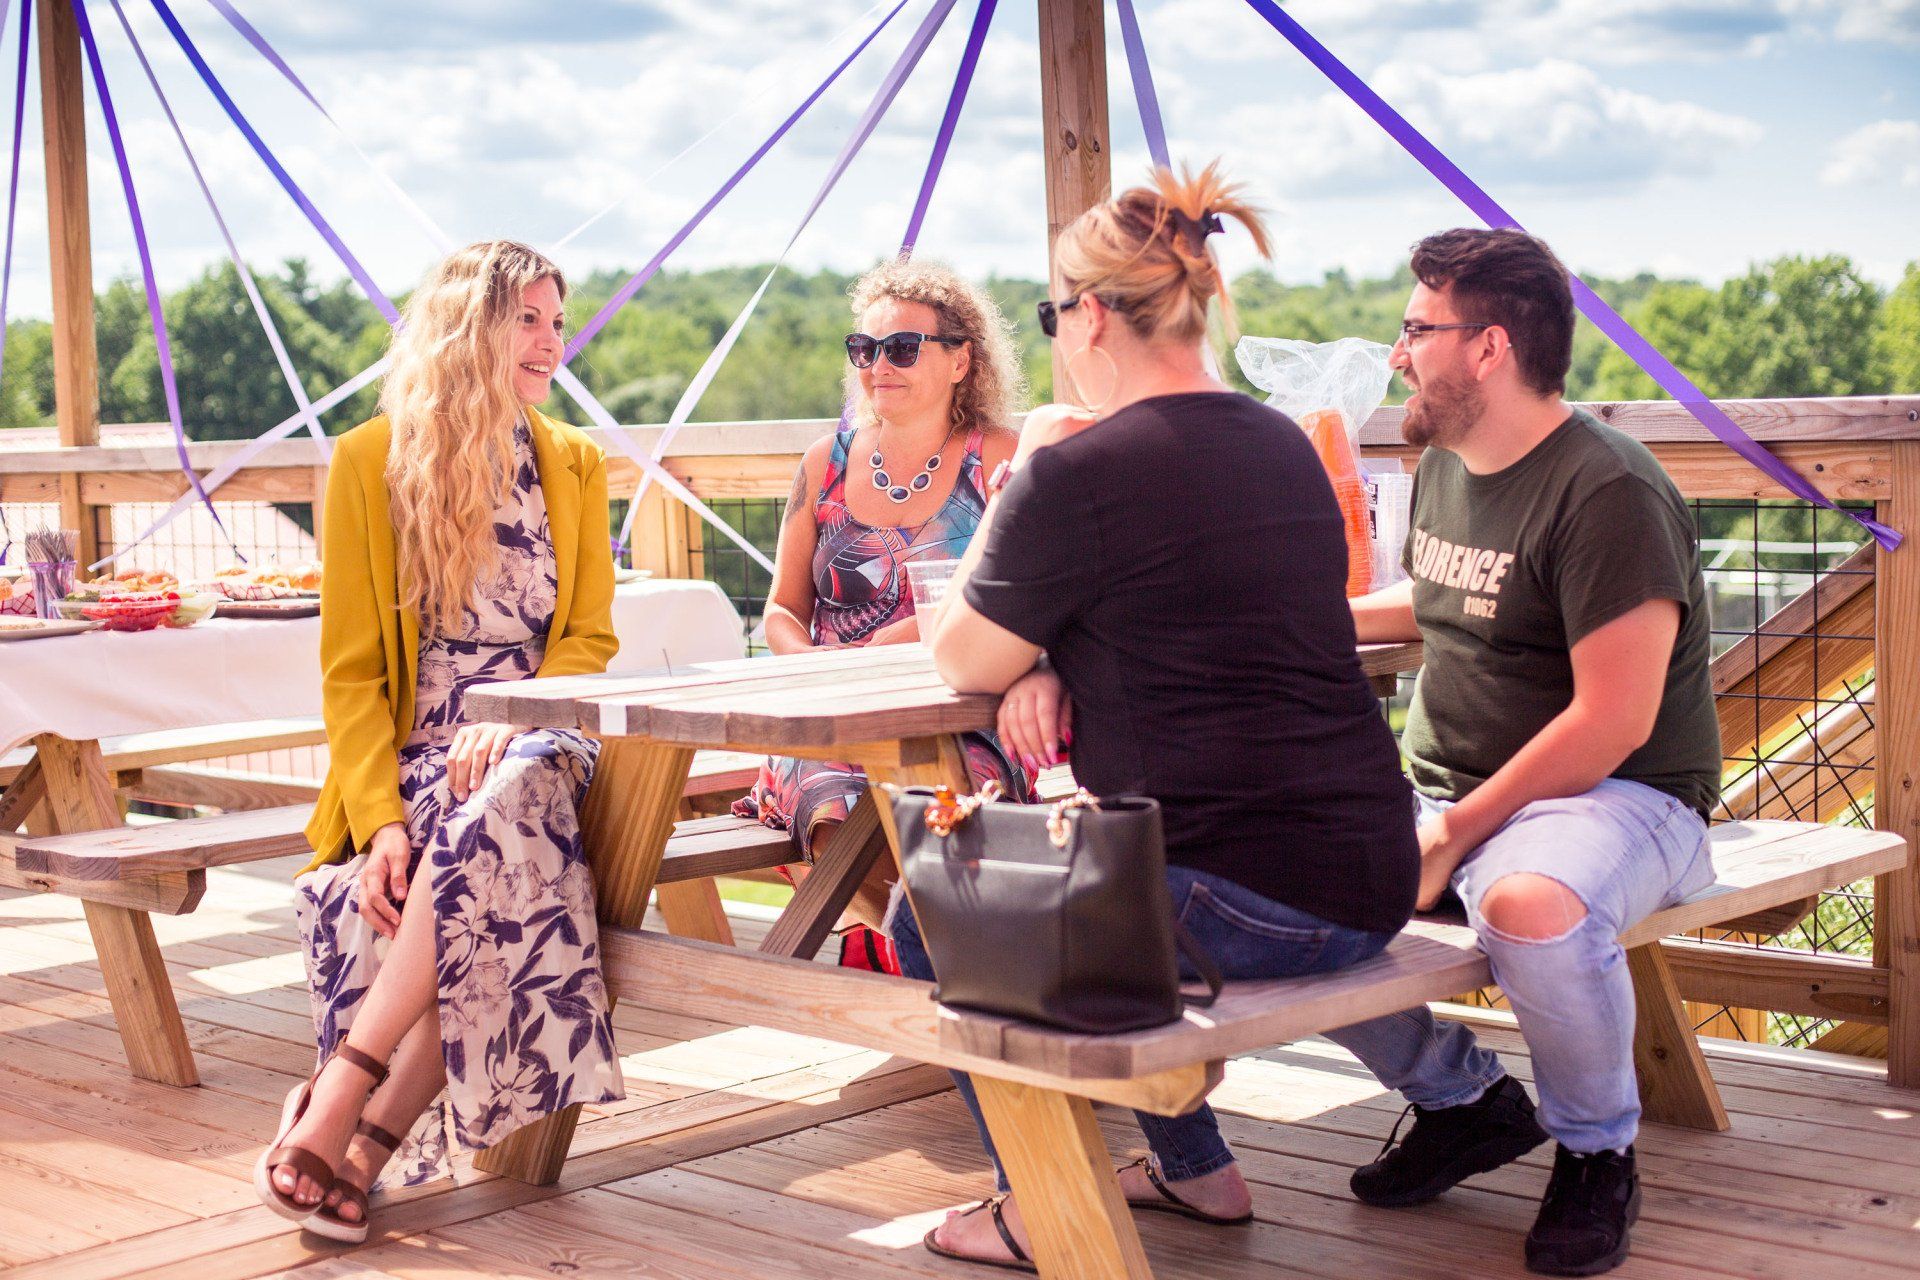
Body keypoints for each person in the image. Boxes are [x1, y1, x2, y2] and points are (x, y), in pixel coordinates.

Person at [915, 161, 1422, 1272]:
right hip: (1376, 870)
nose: (1057, 336)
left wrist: (1037, 461)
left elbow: (953, 648)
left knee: (941, 910)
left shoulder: (1077, 469)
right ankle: (1195, 1170)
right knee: (1088, 879)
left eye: (1055, 314)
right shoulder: (1284, 443)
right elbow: (1178, 612)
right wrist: (1044, 658)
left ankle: (1036, 1202)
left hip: (1240, 899)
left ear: (1092, 316)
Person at [1326, 227, 1721, 1277]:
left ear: (1489, 347)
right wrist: (1311, 618)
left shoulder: (1609, 492)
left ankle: (1598, 1152)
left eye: (1417, 328)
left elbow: (1613, 721)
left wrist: (1451, 832)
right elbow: (1446, 593)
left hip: (1622, 800)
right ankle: (1463, 1100)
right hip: (1449, 792)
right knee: (1265, 877)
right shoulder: (1451, 464)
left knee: (1530, 907)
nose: (1399, 350)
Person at [258, 241, 622, 1242]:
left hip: (543, 732)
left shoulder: (578, 464)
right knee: (472, 853)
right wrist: (377, 820)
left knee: (505, 799)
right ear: (472, 329)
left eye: (558, 320)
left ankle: (337, 1092)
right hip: (417, 751)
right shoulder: (368, 461)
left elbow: (589, 638)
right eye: (530, 320)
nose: (554, 341)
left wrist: (511, 723)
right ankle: (368, 1150)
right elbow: (351, 670)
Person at [732, 259, 1031, 939]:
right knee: (830, 801)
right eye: (863, 349)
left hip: (962, 712)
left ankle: (924, 962)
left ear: (961, 361)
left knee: (936, 804)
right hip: (833, 714)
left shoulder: (1001, 461)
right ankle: (939, 959)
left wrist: (892, 647)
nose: (877, 365)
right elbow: (780, 608)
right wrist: (816, 666)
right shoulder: (824, 463)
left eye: (900, 348)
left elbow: (1022, 604)